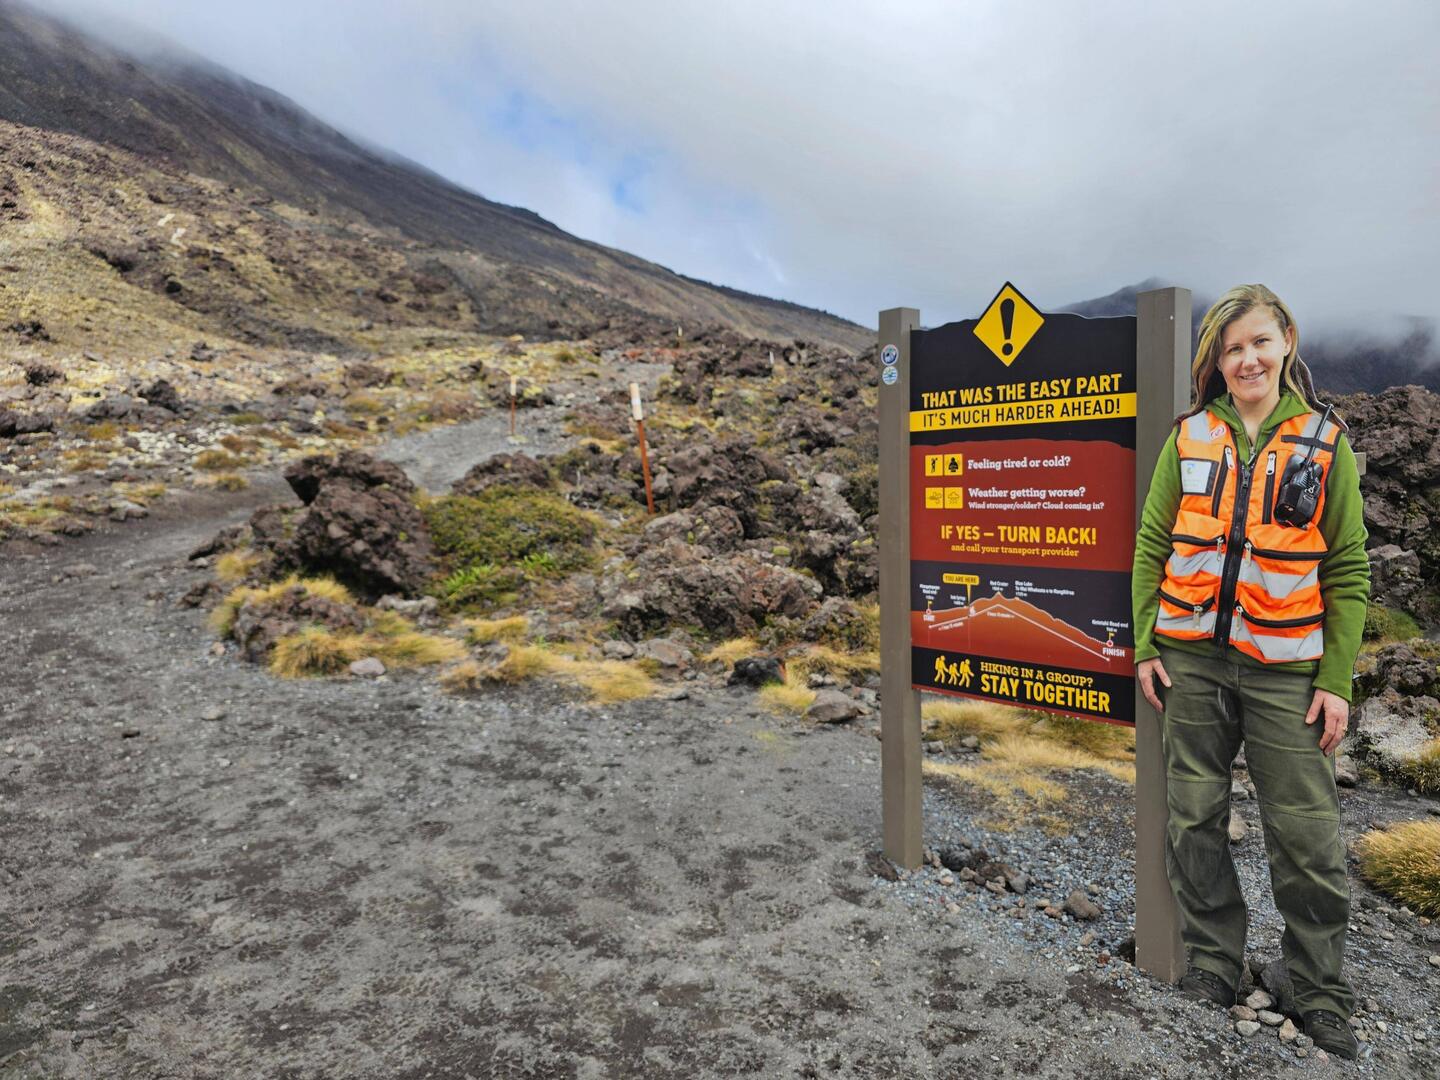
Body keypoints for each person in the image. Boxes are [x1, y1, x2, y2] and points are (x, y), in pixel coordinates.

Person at [1131, 284, 1369, 1060]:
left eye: (1260, 342)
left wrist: (1335, 679)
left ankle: (1318, 989)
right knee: (1193, 817)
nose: (1248, 360)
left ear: (1287, 339)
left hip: (1286, 672)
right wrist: (1146, 646)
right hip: (1191, 664)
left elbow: (1349, 567)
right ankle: (1213, 960)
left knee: (1306, 837)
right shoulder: (1190, 437)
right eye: (1232, 348)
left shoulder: (1326, 444)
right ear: (1218, 360)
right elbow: (1153, 544)